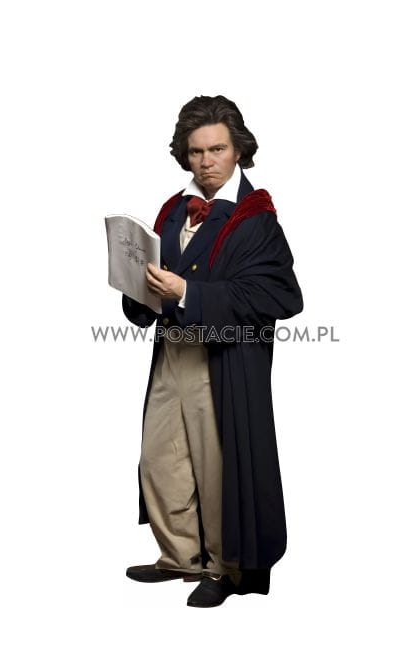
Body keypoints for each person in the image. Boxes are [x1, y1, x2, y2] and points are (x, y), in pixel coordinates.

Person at [121, 94, 303, 607]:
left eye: (217, 149)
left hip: (222, 362)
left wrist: (188, 293)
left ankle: (226, 566)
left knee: (217, 465)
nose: (206, 162)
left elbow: (281, 297)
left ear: (238, 150)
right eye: (197, 151)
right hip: (172, 352)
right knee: (161, 459)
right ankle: (181, 554)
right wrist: (136, 285)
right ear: (186, 154)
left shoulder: (256, 218)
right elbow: (157, 283)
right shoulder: (172, 210)